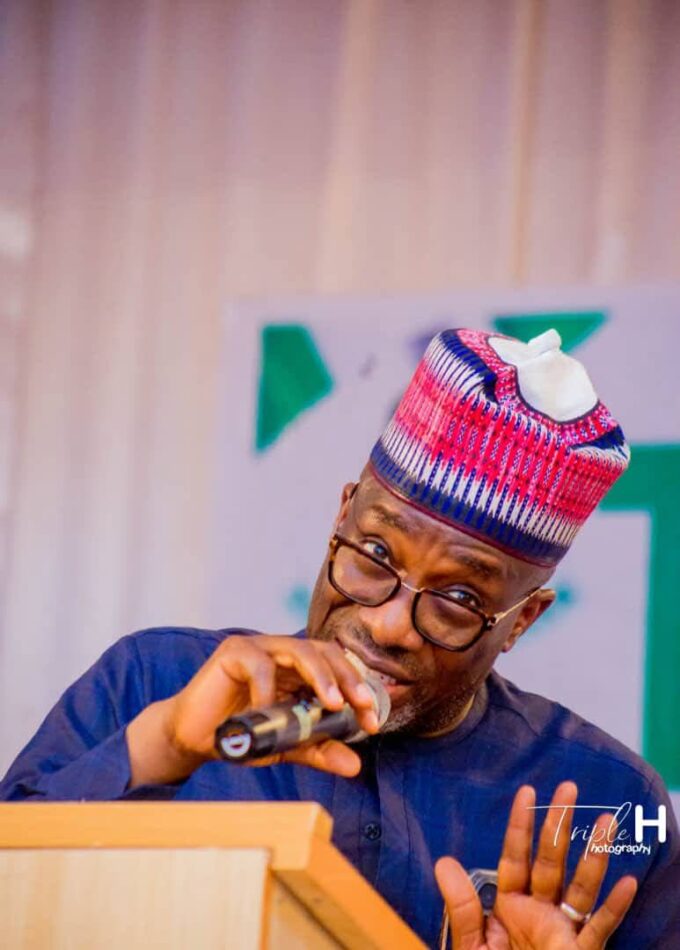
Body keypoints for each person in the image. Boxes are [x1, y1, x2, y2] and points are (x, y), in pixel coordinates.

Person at [1, 328, 678, 948]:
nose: (388, 625)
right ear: (341, 516)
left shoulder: (611, 805)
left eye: (459, 599)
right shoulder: (156, 681)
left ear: (520, 621)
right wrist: (166, 747)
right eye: (375, 554)